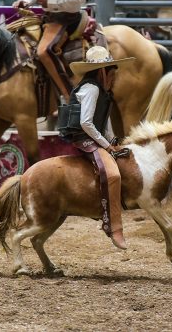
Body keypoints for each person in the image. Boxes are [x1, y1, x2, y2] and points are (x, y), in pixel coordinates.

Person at [61, 46, 135, 250]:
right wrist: (107, 146)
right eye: (112, 74)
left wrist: (113, 142)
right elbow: (86, 123)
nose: (114, 79)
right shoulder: (92, 89)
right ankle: (113, 226)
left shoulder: (103, 91)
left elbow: (104, 124)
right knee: (113, 175)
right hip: (84, 139)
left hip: (94, 137)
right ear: (103, 72)